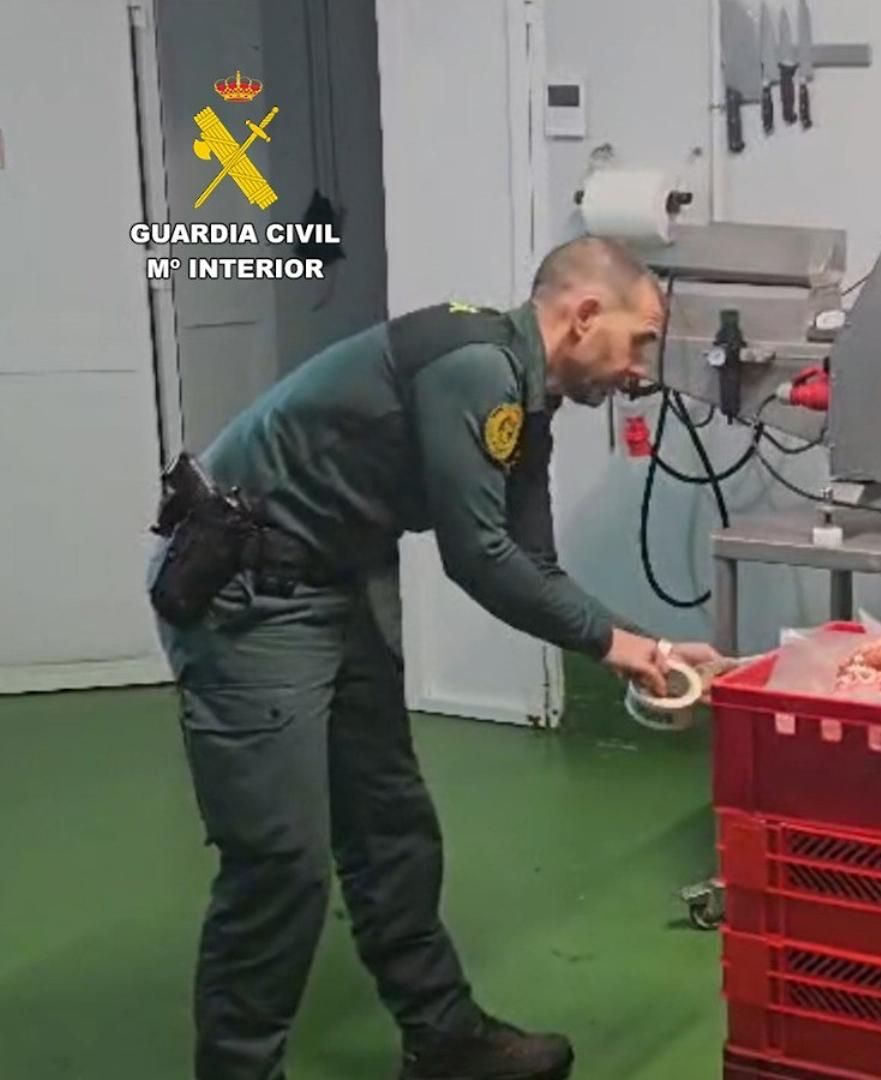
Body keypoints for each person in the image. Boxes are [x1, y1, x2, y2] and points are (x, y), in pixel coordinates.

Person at [145, 234, 726, 1080]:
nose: (641, 371)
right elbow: (479, 557)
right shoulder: (477, 369)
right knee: (280, 863)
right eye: (638, 341)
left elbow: (533, 563)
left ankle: (443, 1036)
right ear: (583, 315)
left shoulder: (526, 401)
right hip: (248, 593)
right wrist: (617, 645)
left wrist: (647, 647)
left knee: (391, 827)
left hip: (335, 577)